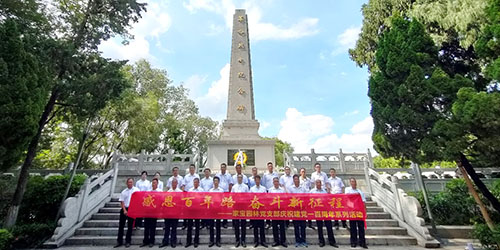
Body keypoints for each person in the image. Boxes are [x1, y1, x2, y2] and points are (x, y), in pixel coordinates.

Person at [310, 180, 338, 248]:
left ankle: (332, 241)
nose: (318, 184)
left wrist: (329, 192)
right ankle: (321, 241)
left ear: (321, 184)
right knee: (319, 227)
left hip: (326, 211)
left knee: (329, 226)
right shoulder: (312, 191)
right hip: (318, 211)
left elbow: (329, 199)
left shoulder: (324, 191)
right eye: (317, 183)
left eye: (319, 183)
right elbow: (310, 200)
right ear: (315, 184)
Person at [115, 178, 139, 248]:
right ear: (126, 183)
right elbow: (122, 201)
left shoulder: (136, 190)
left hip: (132, 209)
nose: (130, 184)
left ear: (133, 183)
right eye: (129, 182)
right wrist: (124, 210)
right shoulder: (124, 191)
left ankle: (128, 241)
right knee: (121, 226)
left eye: (131, 182)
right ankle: (119, 241)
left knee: (130, 226)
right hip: (125, 209)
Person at [345, 178, 368, 249]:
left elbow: (363, 202)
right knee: (353, 228)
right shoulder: (348, 190)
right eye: (351, 182)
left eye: (354, 182)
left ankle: (362, 242)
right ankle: (353, 242)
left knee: (361, 228)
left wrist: (365, 212)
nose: (353, 183)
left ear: (356, 183)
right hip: (352, 212)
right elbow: (346, 199)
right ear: (350, 183)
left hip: (359, 212)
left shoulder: (360, 192)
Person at [160, 179, 182, 248]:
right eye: (173, 183)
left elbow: (181, 203)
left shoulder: (180, 192)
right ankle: (165, 241)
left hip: (175, 213)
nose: (174, 184)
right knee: (167, 228)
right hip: (168, 213)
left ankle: (173, 242)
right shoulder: (168, 192)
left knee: (174, 228)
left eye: (175, 183)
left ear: (177, 183)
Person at [288, 175, 307, 247]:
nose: (296, 180)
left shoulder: (303, 188)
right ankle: (297, 240)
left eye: (297, 179)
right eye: (295, 179)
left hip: (302, 209)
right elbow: (289, 198)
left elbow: (306, 197)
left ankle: (303, 240)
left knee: (303, 226)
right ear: (293, 180)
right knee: (296, 226)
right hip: (295, 209)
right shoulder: (291, 188)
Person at [141, 178, 161, 247]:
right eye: (153, 183)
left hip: (154, 211)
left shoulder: (159, 191)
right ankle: (145, 240)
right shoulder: (148, 191)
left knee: (153, 227)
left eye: (155, 183)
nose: (154, 184)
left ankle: (152, 241)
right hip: (148, 211)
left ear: (157, 184)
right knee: (146, 227)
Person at [249, 175, 268, 248]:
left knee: (262, 226)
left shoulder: (263, 188)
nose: (257, 181)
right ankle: (256, 241)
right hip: (254, 209)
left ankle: (263, 241)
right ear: (254, 181)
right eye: (256, 180)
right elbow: (250, 198)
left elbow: (266, 198)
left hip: (261, 209)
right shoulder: (252, 189)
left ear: (260, 180)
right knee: (255, 226)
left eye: (258, 180)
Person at [231, 173, 249, 248]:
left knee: (243, 224)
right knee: (236, 224)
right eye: (238, 178)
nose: (239, 179)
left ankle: (243, 240)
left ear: (242, 179)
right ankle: (237, 240)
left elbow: (248, 196)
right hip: (236, 207)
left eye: (241, 178)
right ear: (237, 179)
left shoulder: (246, 187)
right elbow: (231, 196)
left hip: (243, 207)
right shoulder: (234, 187)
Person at [268, 177, 286, 247]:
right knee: (274, 227)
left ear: (279, 182)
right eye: (275, 181)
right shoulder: (270, 190)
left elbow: (284, 199)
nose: (276, 183)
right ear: (273, 182)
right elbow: (269, 200)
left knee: (282, 227)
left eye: (277, 181)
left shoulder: (282, 190)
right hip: (274, 210)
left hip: (281, 210)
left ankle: (283, 241)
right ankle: (276, 241)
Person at [185, 178, 203, 248]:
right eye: (194, 182)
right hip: (191, 210)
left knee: (197, 226)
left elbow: (202, 199)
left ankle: (196, 241)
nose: (195, 184)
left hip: (198, 210)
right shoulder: (190, 190)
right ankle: (188, 241)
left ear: (198, 183)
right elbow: (187, 199)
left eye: (196, 182)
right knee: (189, 226)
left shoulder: (201, 190)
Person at [215, 163, 233, 228]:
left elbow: (230, 184)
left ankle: (225, 222)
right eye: (222, 167)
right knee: (219, 207)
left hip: (226, 193)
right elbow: (215, 183)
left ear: (226, 168)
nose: (223, 168)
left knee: (225, 208)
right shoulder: (217, 175)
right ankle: (218, 221)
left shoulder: (228, 175)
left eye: (224, 167)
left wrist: (229, 193)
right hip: (219, 193)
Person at [208, 177, 224, 247]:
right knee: (211, 225)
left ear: (219, 182)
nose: (216, 182)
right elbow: (208, 199)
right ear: (213, 182)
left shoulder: (221, 190)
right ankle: (211, 240)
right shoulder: (210, 190)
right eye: (214, 181)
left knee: (218, 225)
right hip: (212, 209)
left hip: (218, 209)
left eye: (217, 181)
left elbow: (223, 200)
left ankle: (218, 241)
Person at [262, 162, 279, 229]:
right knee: (268, 208)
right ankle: (268, 222)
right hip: (268, 193)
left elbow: (278, 182)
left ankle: (276, 222)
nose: (270, 167)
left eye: (271, 166)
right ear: (267, 167)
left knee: (276, 208)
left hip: (275, 192)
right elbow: (263, 184)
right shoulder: (265, 175)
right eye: (269, 166)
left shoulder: (276, 174)